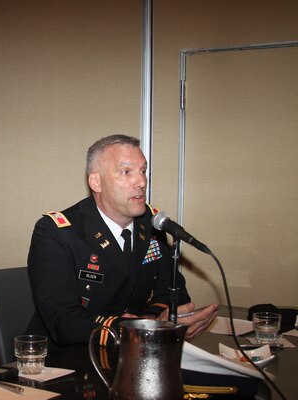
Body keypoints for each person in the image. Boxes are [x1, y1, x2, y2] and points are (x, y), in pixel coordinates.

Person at [26, 134, 218, 347]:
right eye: (126, 172)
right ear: (96, 182)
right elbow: (64, 322)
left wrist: (161, 321)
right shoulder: (57, 232)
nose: (142, 182)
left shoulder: (152, 224)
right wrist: (144, 329)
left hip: (135, 353)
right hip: (68, 359)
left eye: (143, 171)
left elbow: (173, 292)